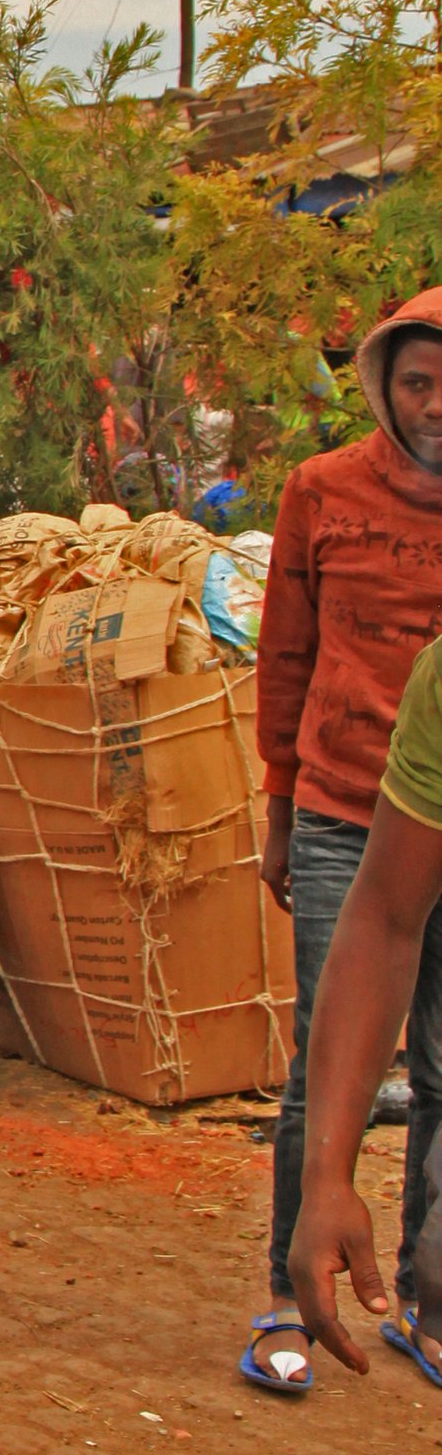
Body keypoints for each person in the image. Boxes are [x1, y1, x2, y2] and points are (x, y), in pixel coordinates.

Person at [245, 289, 442, 1397]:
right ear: (381, 385)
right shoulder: (323, 493)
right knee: (329, 1057)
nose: (435, 408)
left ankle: (427, 1296)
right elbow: (285, 654)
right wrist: (278, 805)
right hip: (343, 811)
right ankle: (287, 1286)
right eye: (415, 383)